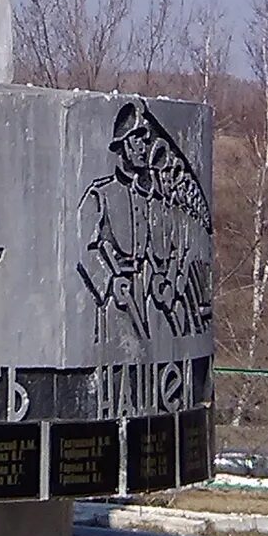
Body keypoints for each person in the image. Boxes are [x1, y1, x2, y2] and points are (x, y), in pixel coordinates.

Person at [78, 99, 212, 353]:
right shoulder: (100, 194)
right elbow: (85, 249)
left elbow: (154, 248)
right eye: (136, 140)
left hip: (143, 292)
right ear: (122, 145)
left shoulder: (144, 201)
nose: (142, 147)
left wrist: (164, 278)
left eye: (144, 140)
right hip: (113, 301)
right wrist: (110, 279)